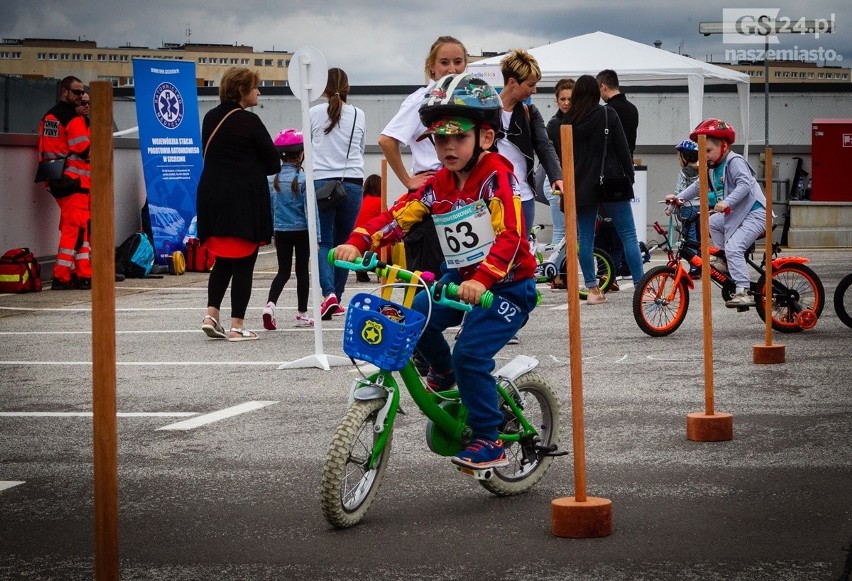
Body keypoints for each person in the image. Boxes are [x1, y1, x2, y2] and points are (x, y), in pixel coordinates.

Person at [334, 73, 538, 470]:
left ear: (485, 137)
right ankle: (441, 375)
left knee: (471, 355)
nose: (447, 146)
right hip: (460, 283)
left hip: (507, 288)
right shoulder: (438, 184)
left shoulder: (496, 176)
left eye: (458, 137)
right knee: (415, 317)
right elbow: (398, 217)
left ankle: (488, 438)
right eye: (439, 138)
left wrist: (482, 279)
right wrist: (359, 241)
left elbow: (511, 235)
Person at [197, 67, 280, 341]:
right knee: (244, 261)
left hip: (212, 197)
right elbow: (273, 162)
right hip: (243, 201)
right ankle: (237, 326)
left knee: (223, 259)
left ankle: (211, 315)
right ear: (242, 90)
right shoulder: (249, 121)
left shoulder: (210, 117)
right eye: (255, 87)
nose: (259, 92)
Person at [549, 75, 644, 304]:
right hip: (611, 182)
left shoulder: (566, 121)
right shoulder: (607, 113)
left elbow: (562, 157)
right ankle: (642, 288)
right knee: (628, 235)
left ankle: (592, 290)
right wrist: (629, 177)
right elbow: (623, 149)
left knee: (586, 238)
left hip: (581, 186)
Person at [378, 36, 468, 277]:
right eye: (444, 62)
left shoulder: (468, 100)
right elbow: (387, 140)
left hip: (464, 197)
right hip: (430, 197)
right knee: (428, 278)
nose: (452, 68)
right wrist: (408, 180)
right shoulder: (422, 100)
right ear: (432, 67)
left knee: (463, 276)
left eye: (458, 62)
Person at [669, 119, 767, 308]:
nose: (704, 156)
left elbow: (745, 185)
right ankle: (725, 261)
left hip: (756, 214)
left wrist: (726, 202)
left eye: (708, 151)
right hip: (738, 214)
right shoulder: (712, 168)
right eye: (701, 152)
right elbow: (698, 186)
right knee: (713, 222)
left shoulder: (735, 161)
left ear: (724, 146)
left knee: (734, 247)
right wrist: (677, 199)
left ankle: (743, 291)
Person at [311, 67, 366, 320]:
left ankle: (329, 294)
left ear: (323, 88)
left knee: (325, 242)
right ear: (347, 87)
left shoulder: (312, 114)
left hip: (322, 182)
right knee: (347, 244)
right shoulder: (359, 115)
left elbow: (307, 148)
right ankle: (338, 297)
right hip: (351, 181)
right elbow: (361, 148)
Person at [496, 49, 563, 237]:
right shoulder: (486, 111)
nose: (534, 90)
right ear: (512, 82)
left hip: (523, 197)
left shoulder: (530, 112)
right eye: (531, 84)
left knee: (520, 253)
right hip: (491, 197)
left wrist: (557, 176)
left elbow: (544, 145)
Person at [36, 76, 92, 290]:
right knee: (75, 229)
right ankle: (63, 275)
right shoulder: (73, 119)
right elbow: (85, 149)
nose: (80, 96)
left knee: (77, 228)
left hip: (55, 178)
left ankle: (81, 272)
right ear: (64, 92)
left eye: (82, 92)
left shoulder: (50, 116)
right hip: (74, 181)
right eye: (76, 92)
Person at [262, 128, 314, 330]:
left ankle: (270, 305)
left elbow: (270, 209)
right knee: (302, 272)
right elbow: (311, 211)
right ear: (301, 153)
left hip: (281, 231)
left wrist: (272, 232)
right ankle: (301, 314)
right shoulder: (303, 179)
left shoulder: (271, 179)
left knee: (282, 272)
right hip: (302, 231)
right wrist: (316, 236)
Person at [596, 69, 639, 283]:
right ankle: (640, 281)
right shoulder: (632, 109)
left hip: (606, 176)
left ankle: (605, 275)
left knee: (602, 231)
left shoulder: (606, 112)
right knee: (628, 234)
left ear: (603, 86)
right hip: (624, 174)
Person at [542, 77, 575, 244]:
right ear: (556, 101)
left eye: (570, 99)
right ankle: (556, 270)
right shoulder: (554, 125)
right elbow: (551, 157)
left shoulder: (581, 121)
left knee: (573, 231)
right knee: (561, 230)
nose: (566, 103)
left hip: (573, 181)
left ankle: (564, 269)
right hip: (556, 181)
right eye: (562, 99)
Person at [673, 139, 701, 277]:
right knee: (699, 238)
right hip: (701, 208)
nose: (679, 160)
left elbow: (679, 193)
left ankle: (695, 266)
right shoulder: (704, 171)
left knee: (689, 238)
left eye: (679, 157)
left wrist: (670, 209)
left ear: (686, 157)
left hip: (687, 209)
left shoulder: (683, 173)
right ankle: (701, 264)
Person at [353, 174, 383, 283]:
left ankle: (361, 271)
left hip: (357, 244)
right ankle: (381, 268)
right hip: (373, 247)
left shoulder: (359, 201)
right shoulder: (380, 202)